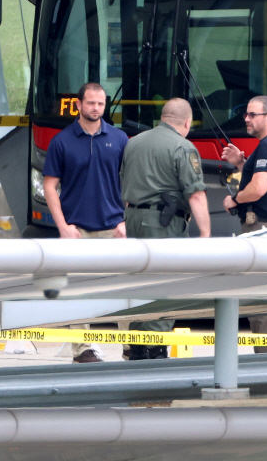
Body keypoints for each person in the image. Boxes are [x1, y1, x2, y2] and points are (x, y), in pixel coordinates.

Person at [43, 82, 128, 363]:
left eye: (100, 104)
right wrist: (63, 227)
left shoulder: (119, 139)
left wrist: (124, 221)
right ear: (78, 105)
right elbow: (49, 186)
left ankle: (132, 345)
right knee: (77, 292)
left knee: (122, 290)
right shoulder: (61, 141)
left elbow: (130, 182)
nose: (96, 108)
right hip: (77, 230)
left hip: (114, 229)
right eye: (90, 103)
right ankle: (83, 350)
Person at [120, 98, 210, 360]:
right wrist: (205, 235)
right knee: (164, 284)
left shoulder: (134, 142)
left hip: (133, 218)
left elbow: (124, 183)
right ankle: (155, 350)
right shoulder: (183, 147)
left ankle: (137, 347)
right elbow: (196, 194)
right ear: (187, 122)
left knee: (139, 283)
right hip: (163, 223)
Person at [221, 95, 267, 352]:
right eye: (246, 114)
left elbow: (259, 188)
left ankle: (265, 358)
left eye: (253, 114)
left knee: (254, 295)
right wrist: (241, 163)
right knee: (264, 289)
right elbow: (264, 178)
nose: (247, 119)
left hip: (259, 226)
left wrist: (234, 200)